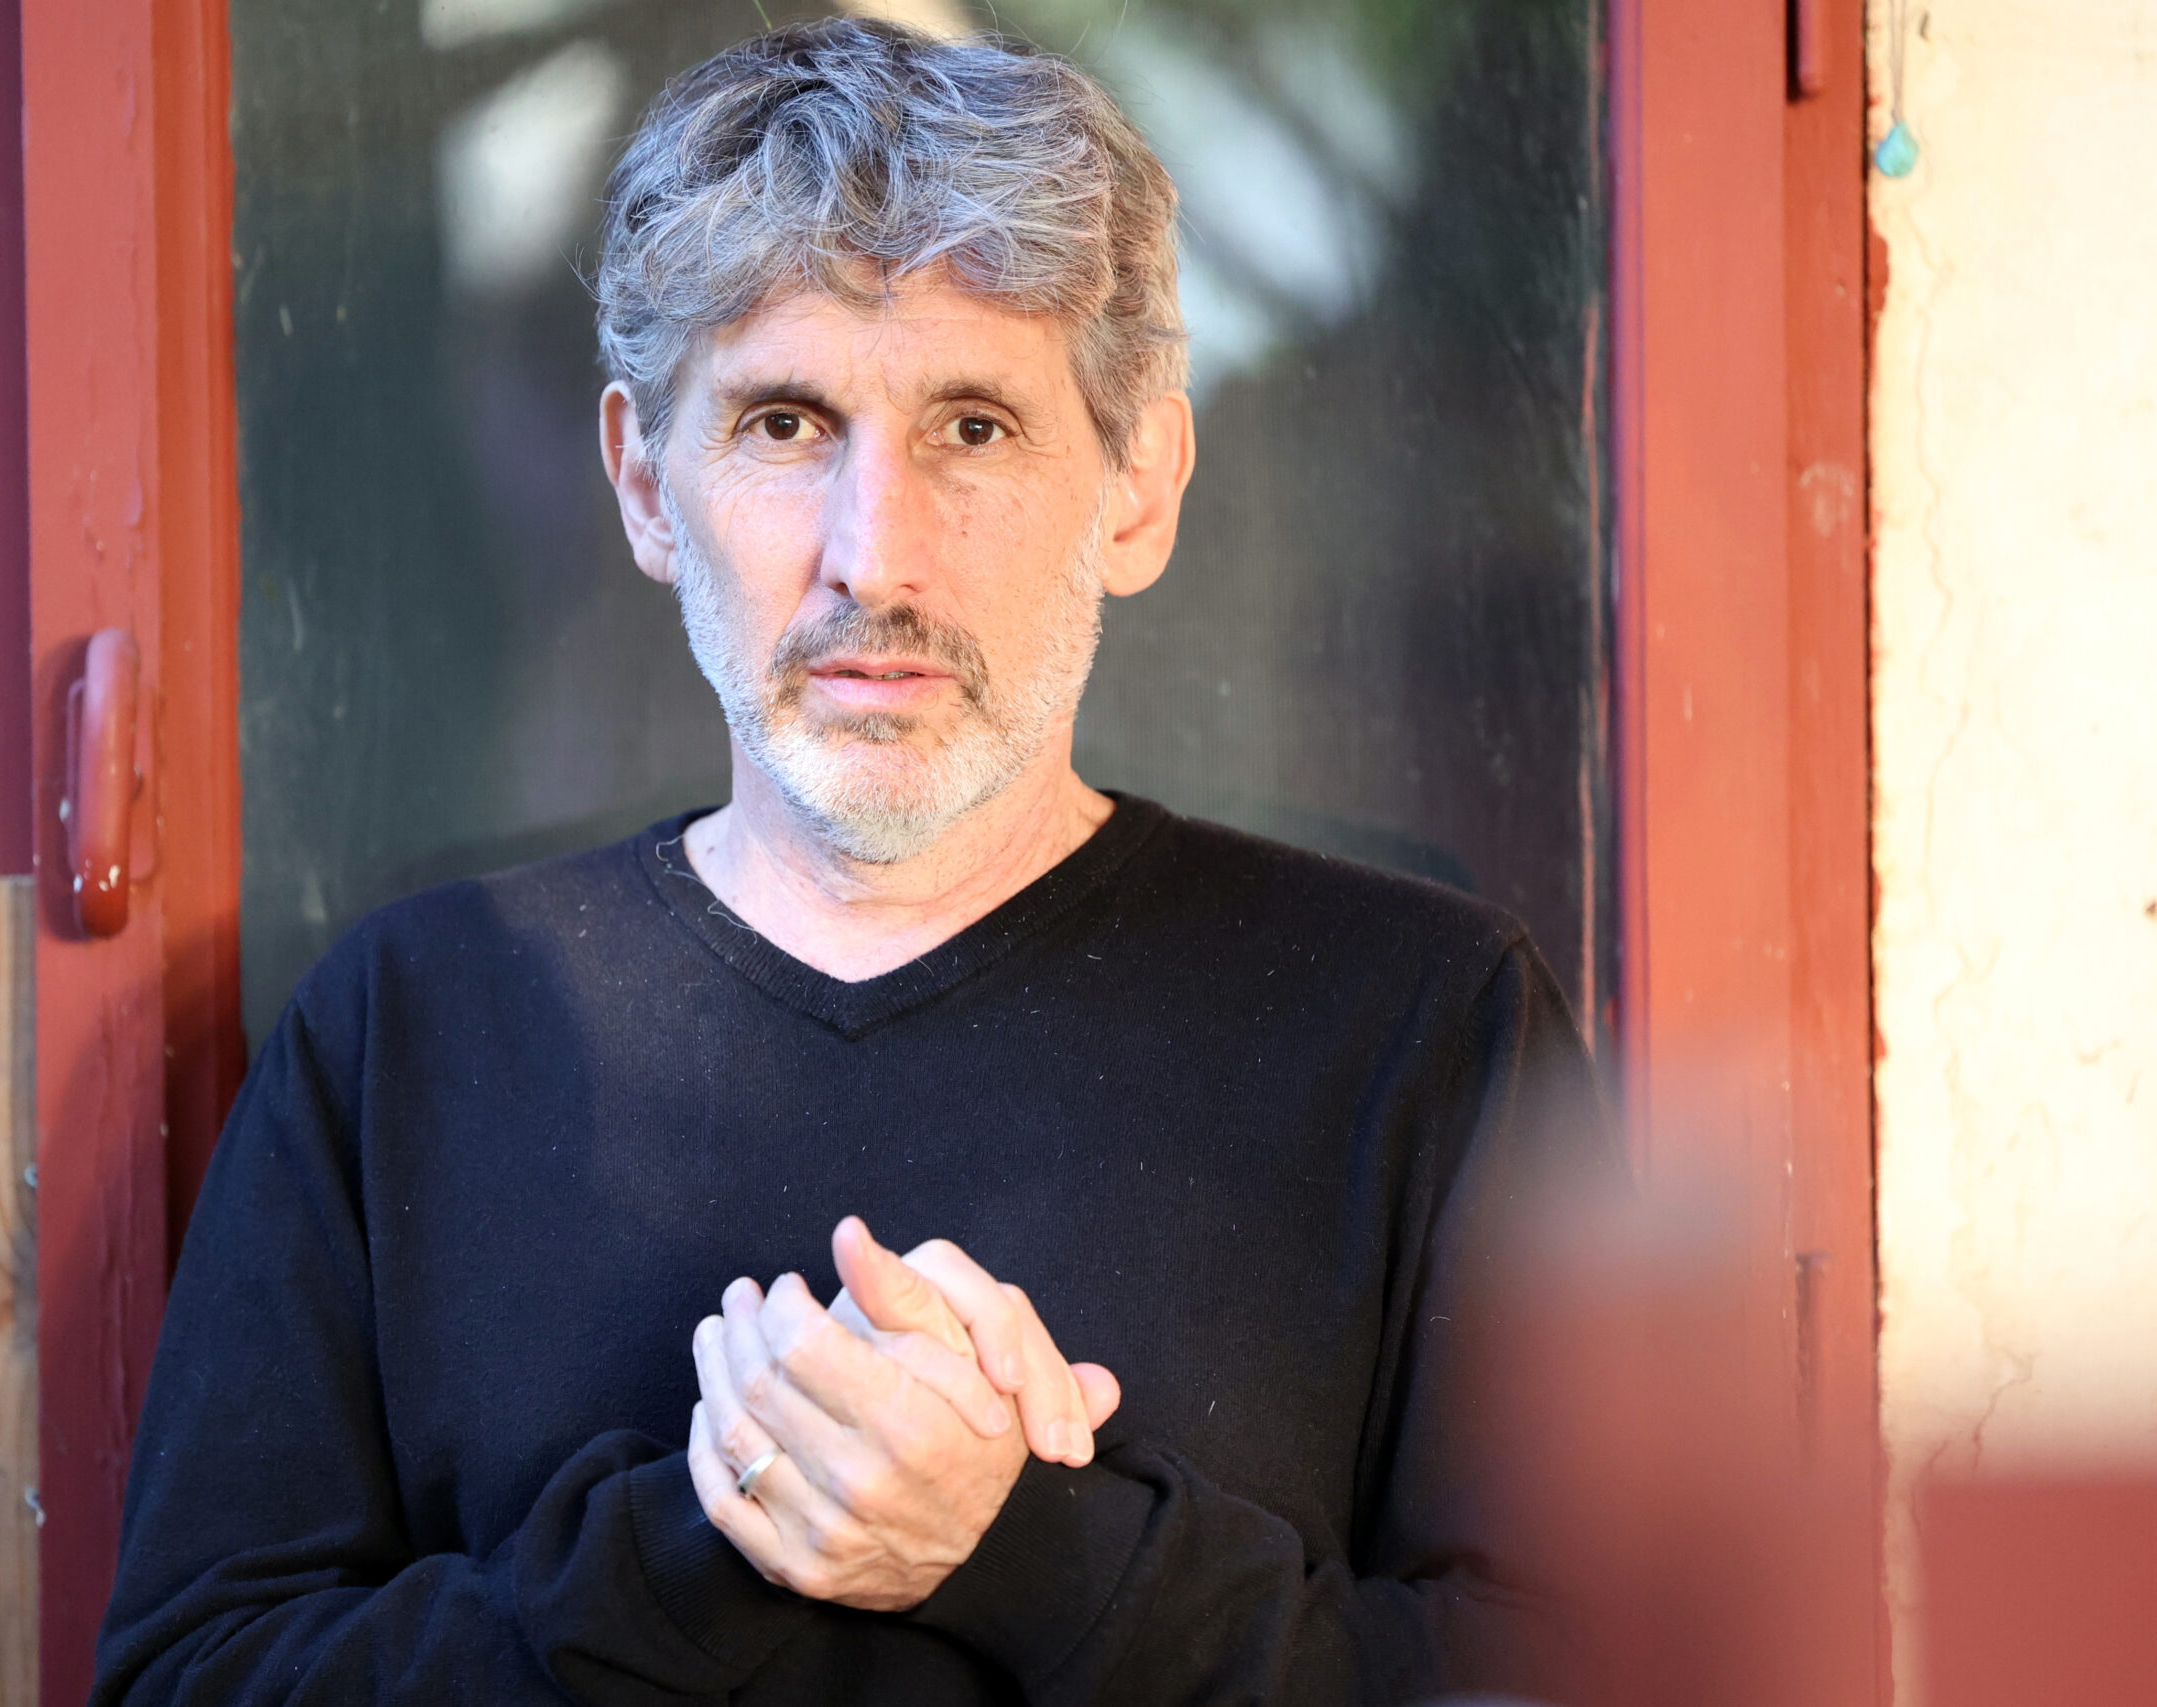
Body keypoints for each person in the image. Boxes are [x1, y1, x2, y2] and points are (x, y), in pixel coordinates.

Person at [93, 18, 1604, 1705]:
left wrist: (1033, 1546)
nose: (874, 559)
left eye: (975, 427)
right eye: (784, 423)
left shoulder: (1418, 1027)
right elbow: (189, 1683)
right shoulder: (413, 1034)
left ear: (1135, 488)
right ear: (644, 484)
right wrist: (705, 1544)